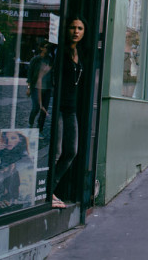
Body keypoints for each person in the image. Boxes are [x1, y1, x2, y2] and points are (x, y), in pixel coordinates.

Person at [51, 17, 87, 208]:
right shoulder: (59, 52)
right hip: (57, 107)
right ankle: (47, 192)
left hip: (71, 109)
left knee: (71, 151)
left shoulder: (79, 53)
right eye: (72, 27)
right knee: (56, 151)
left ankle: (50, 187)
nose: (76, 31)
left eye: (80, 28)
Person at [27, 43, 54, 131]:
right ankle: (30, 123)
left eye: (49, 48)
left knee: (44, 109)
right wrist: (28, 87)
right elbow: (30, 74)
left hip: (47, 88)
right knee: (37, 107)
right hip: (36, 87)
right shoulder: (35, 59)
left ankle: (40, 129)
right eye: (46, 48)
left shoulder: (50, 60)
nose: (48, 50)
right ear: (41, 48)